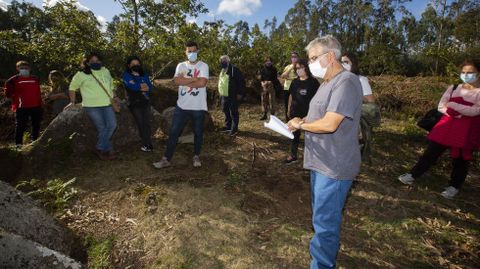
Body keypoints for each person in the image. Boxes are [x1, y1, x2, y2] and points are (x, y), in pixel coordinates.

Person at [287, 35, 362, 269]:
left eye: (312, 58)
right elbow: (316, 117)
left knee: (325, 221)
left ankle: (321, 265)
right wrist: (300, 119)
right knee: (321, 217)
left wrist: (302, 126)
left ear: (330, 56)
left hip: (335, 166)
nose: (309, 64)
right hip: (319, 162)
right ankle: (320, 256)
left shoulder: (346, 82)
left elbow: (330, 123)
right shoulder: (326, 84)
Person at [398, 59, 480, 199]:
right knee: (431, 152)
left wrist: (453, 106)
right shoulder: (454, 88)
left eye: (470, 72)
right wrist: (456, 111)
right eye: (463, 72)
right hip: (446, 127)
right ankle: (413, 174)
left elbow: (475, 111)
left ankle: (454, 186)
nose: (466, 75)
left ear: (478, 73)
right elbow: (442, 106)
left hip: (465, 131)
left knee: (460, 160)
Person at [153, 41, 209, 169]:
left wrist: (184, 82)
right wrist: (194, 79)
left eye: (194, 51)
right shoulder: (181, 65)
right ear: (185, 52)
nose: (192, 53)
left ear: (198, 51)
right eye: (189, 51)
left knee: (198, 133)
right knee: (174, 133)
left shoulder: (203, 66)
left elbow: (202, 83)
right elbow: (177, 80)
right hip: (182, 107)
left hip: (198, 107)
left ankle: (196, 156)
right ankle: (166, 159)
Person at [65, 52, 118, 160]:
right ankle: (106, 151)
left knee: (112, 125)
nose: (96, 63)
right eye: (93, 61)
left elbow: (111, 85)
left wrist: (115, 96)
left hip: (107, 104)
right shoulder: (81, 74)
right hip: (92, 106)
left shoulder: (105, 71)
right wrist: (72, 101)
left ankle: (99, 148)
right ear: (87, 62)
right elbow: (72, 87)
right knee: (102, 128)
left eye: (98, 60)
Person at [285, 58, 319, 164]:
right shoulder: (294, 82)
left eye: (300, 68)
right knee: (294, 135)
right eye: (296, 68)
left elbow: (318, 99)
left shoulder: (313, 82)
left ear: (306, 68)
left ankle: (313, 158)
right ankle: (293, 155)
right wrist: (288, 109)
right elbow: (291, 95)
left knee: (310, 136)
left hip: (308, 114)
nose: (298, 70)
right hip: (295, 112)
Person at [4, 61, 43, 148]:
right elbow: (8, 93)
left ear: (29, 68)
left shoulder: (35, 78)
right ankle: (18, 145)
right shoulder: (13, 80)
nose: (24, 69)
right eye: (21, 68)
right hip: (22, 106)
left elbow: (38, 92)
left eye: (26, 68)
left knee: (36, 124)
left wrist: (41, 104)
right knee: (20, 126)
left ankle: (34, 142)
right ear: (17, 69)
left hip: (36, 105)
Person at [122, 56, 154, 152]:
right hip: (134, 102)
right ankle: (146, 144)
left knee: (147, 123)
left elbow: (150, 87)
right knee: (141, 123)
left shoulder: (144, 74)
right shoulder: (126, 75)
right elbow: (132, 87)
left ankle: (148, 143)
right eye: (133, 64)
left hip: (145, 101)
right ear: (129, 65)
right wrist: (142, 86)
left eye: (137, 64)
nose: (136, 65)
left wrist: (141, 86)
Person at [218, 55, 245, 136]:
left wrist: (240, 93)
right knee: (225, 110)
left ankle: (234, 129)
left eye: (225, 60)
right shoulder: (222, 70)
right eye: (222, 60)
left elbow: (241, 82)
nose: (223, 62)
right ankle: (228, 126)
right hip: (223, 95)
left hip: (232, 94)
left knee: (233, 112)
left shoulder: (234, 70)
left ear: (228, 61)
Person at [281, 51, 299, 120]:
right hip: (287, 87)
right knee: (286, 104)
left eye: (295, 57)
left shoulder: (299, 66)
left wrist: (290, 78)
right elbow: (283, 76)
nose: (293, 58)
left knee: (294, 104)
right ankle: (287, 120)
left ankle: (295, 119)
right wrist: (291, 67)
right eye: (292, 57)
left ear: (298, 58)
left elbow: (299, 77)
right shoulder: (288, 66)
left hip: (296, 88)